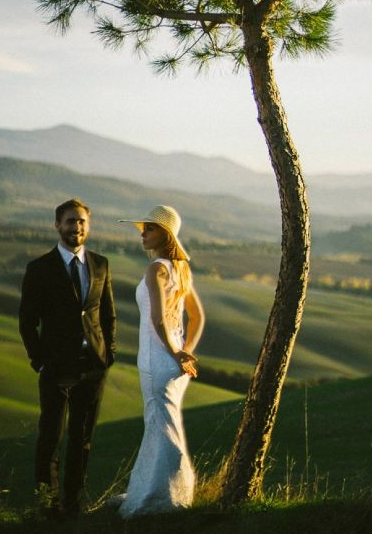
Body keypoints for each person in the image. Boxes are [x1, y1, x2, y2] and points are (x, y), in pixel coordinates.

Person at [19, 198, 116, 518]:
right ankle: (47, 507)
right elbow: (26, 321)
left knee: (82, 440)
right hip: (56, 368)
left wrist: (108, 354)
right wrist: (41, 362)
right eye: (71, 221)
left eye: (82, 222)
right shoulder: (39, 268)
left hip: (93, 368)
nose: (77, 227)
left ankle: (73, 504)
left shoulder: (101, 264)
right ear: (57, 225)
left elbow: (107, 315)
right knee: (50, 439)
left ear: (89, 225)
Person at [113, 205, 205, 518]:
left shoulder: (157, 269)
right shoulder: (180, 269)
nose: (142, 233)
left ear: (164, 234)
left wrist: (177, 352)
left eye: (149, 228)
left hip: (157, 359)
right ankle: (157, 494)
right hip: (173, 361)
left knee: (161, 426)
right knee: (161, 424)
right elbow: (197, 317)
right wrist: (185, 349)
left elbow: (156, 318)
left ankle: (169, 501)